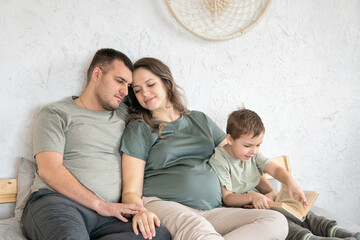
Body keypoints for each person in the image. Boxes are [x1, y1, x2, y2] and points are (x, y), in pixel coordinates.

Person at [120, 57, 288, 240]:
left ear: (166, 83)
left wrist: (266, 191)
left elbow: (240, 158)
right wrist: (141, 211)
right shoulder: (139, 128)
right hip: (164, 205)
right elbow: (130, 191)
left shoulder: (200, 120)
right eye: (137, 90)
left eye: (150, 84)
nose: (144, 92)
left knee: (275, 221)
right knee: (200, 231)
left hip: (212, 210)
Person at [21, 49, 171, 240]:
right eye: (119, 81)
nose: (125, 91)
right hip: (57, 203)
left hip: (110, 216)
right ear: (97, 74)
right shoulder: (56, 114)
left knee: (158, 235)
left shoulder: (126, 115)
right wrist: (100, 205)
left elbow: (159, 107)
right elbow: (49, 170)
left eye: (128, 85)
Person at [209, 108, 360, 240]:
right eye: (248, 145)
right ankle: (310, 238)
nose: (254, 151)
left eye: (258, 145)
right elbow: (228, 198)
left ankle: (337, 231)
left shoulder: (251, 155)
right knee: (283, 222)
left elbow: (275, 170)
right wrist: (253, 197)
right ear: (229, 139)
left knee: (302, 212)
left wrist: (290, 183)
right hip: (245, 208)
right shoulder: (220, 160)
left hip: (265, 199)